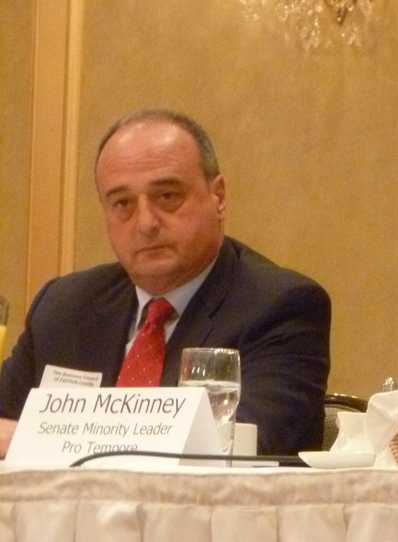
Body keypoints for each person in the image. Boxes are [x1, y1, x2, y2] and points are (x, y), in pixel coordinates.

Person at [0, 110, 331, 456]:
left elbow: (245, 445)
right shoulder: (64, 306)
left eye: (168, 196)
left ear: (217, 197)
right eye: (123, 203)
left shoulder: (281, 306)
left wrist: (35, 438)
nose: (145, 223)